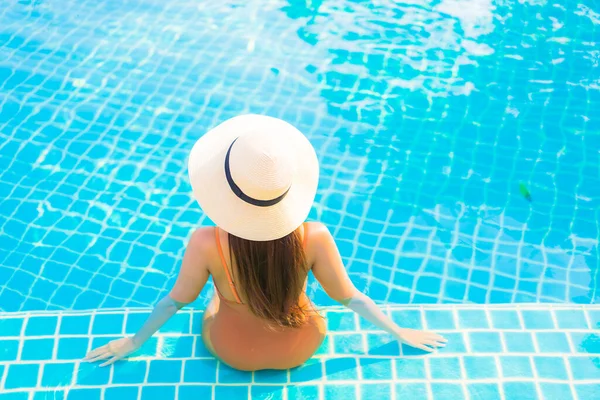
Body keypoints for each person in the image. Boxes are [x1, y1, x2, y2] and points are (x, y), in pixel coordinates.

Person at [85, 114, 446, 371]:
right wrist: (400, 332)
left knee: (216, 296)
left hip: (232, 353)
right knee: (289, 294)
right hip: (301, 347)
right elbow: (351, 297)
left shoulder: (205, 241)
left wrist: (132, 343)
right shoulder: (315, 235)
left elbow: (173, 304)